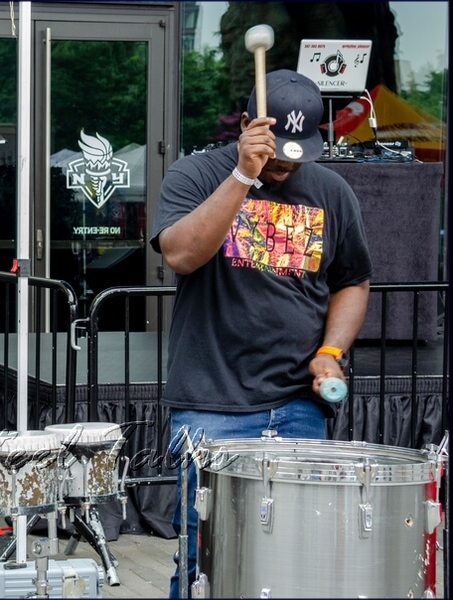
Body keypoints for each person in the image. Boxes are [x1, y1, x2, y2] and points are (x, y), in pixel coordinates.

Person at [149, 69, 372, 598]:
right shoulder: (196, 175)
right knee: (205, 558)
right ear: (248, 125)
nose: (281, 165)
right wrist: (242, 177)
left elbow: (353, 282)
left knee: (295, 562)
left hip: (299, 405)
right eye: (273, 151)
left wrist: (331, 351)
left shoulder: (331, 192)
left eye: (294, 155)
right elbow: (180, 254)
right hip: (212, 407)